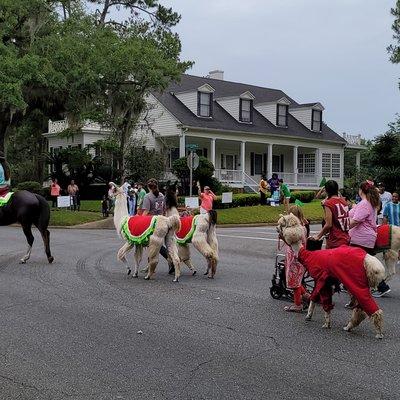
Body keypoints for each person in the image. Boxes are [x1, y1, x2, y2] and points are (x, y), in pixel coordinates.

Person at [348, 181, 389, 297]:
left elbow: (356, 221)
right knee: (365, 264)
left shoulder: (365, 204)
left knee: (359, 265)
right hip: (365, 238)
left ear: (361, 190)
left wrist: (344, 228)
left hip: (360, 238)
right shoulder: (368, 203)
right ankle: (378, 286)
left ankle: (370, 288)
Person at [142, 179, 174, 274]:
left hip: (152, 223)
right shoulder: (161, 196)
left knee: (155, 245)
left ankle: (169, 260)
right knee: (165, 244)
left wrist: (140, 220)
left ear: (148, 187)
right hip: (163, 221)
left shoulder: (147, 197)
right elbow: (164, 209)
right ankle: (151, 265)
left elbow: (146, 212)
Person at [282, 205, 310, 312]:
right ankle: (307, 296)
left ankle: (297, 305)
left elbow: (291, 244)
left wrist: (282, 237)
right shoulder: (303, 227)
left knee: (294, 282)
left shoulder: (295, 231)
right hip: (301, 256)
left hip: (295, 258)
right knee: (297, 280)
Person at [312, 180, 350, 248]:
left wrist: (318, 236)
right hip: (346, 238)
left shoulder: (328, 203)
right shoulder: (344, 202)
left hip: (335, 240)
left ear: (326, 191)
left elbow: (328, 224)